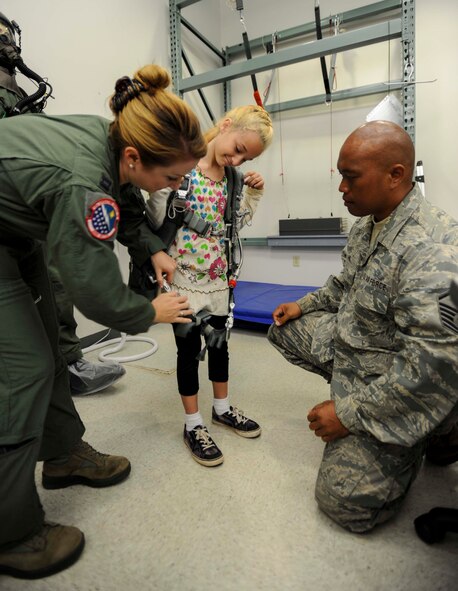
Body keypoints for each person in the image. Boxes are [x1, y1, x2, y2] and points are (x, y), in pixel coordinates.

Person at [0, 63, 206, 579]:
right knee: (22, 370)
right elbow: (95, 292)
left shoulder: (113, 143)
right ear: (136, 157)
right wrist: (147, 313)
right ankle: (12, 534)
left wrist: (153, 250)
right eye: (173, 177)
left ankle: (64, 455)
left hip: (13, 229)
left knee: (51, 347)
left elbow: (129, 210)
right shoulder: (83, 181)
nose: (175, 185)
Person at [268, 120, 458, 533]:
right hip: (361, 348)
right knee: (281, 328)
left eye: (350, 177)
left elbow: (432, 369)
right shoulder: (368, 223)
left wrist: (348, 414)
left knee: (343, 503)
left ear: (396, 176)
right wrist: (302, 305)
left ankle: (436, 429)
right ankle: (426, 428)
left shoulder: (433, 251)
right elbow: (344, 285)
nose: (341, 188)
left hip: (406, 378)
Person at [0, 10, 126, 396]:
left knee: (56, 279)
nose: (8, 44)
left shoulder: (16, 87)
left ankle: (67, 362)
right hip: (11, 209)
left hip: (30, 207)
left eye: (8, 36)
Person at [144, 105, 273, 466]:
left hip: (218, 283)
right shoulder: (182, 171)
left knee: (219, 347)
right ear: (225, 126)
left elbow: (237, 222)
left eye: (244, 156)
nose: (236, 158)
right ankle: (193, 424)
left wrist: (254, 196)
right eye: (236, 148)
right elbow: (155, 218)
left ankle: (221, 408)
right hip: (182, 283)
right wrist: (162, 187)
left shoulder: (232, 180)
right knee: (188, 353)